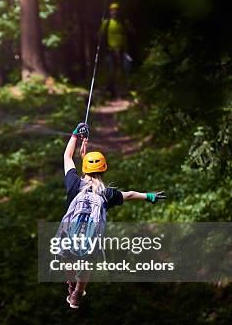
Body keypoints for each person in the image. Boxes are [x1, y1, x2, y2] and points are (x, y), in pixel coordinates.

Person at [61, 123, 165, 308]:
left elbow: (67, 156)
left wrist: (76, 134)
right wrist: (149, 196)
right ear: (104, 169)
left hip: (70, 233)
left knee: (67, 258)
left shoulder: (74, 184)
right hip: (91, 238)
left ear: (84, 168)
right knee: (87, 264)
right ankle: (77, 293)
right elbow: (131, 194)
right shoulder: (107, 194)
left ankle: (70, 284)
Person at [98, 2, 133, 98]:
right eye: (112, 10)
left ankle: (127, 90)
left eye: (116, 10)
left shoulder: (124, 22)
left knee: (127, 69)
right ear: (110, 12)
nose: (114, 12)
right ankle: (111, 91)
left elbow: (132, 32)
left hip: (124, 50)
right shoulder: (106, 23)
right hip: (111, 50)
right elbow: (99, 35)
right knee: (111, 70)